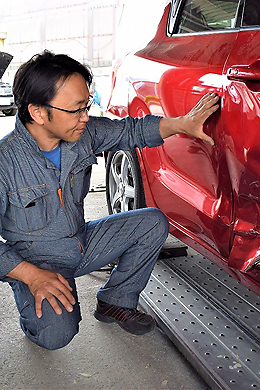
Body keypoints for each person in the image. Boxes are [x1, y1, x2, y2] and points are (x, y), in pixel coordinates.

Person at [0, 51, 219, 350]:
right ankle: (26, 294)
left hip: (81, 242)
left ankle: (115, 300)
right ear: (38, 112)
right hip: (37, 261)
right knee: (55, 335)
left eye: (86, 106)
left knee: (151, 222)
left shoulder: (83, 134)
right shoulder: (5, 162)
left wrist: (181, 124)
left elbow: (132, 130)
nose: (86, 117)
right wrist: (30, 275)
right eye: (76, 110)